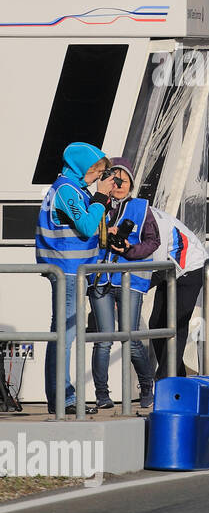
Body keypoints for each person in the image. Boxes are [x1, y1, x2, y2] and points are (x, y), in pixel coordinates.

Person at [36, 143, 111, 415]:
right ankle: (63, 398)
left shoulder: (74, 188)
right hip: (67, 271)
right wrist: (101, 199)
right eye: (95, 171)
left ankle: (62, 396)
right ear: (81, 167)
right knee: (64, 336)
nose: (97, 177)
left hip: (74, 271)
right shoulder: (66, 189)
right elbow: (87, 226)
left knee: (63, 335)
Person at [88, 158, 160, 411]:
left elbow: (153, 241)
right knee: (104, 338)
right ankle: (101, 394)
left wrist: (129, 248)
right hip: (100, 277)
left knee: (130, 338)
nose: (118, 185)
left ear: (131, 184)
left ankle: (147, 385)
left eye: (124, 180)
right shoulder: (95, 205)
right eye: (114, 179)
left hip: (131, 279)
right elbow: (84, 236)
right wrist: (105, 231)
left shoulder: (142, 207)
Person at [146, 205, 209, 389]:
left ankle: (166, 380)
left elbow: (157, 268)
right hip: (170, 270)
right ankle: (177, 376)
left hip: (191, 267)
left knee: (176, 324)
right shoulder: (140, 215)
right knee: (156, 323)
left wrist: (131, 291)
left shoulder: (157, 222)